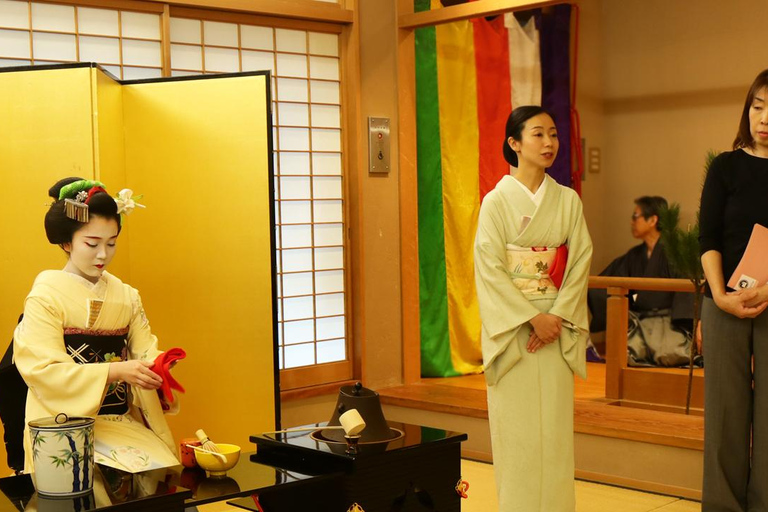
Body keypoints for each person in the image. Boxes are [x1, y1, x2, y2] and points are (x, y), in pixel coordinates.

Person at [13, 177, 180, 474]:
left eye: (111, 243)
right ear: (67, 242)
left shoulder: (127, 296)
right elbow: (44, 371)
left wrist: (157, 367)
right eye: (92, 243)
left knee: (161, 473)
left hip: (120, 421)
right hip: (63, 423)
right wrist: (115, 370)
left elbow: (144, 351)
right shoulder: (45, 296)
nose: (103, 254)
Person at [474, 105, 592, 511]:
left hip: (556, 326)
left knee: (555, 433)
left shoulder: (568, 200)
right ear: (514, 143)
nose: (549, 143)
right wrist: (532, 318)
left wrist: (555, 316)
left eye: (554, 134)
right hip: (516, 328)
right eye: (538, 134)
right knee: (519, 434)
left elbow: (579, 259)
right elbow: (488, 268)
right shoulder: (495, 202)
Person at [699, 69, 768, 511]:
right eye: (758, 106)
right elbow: (708, 238)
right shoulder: (725, 166)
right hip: (723, 302)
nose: (764, 118)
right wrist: (721, 296)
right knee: (725, 413)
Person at [588, 196, 696, 367]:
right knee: (628, 356)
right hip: (639, 324)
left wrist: (691, 325)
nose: (632, 222)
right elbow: (605, 281)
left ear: (653, 219)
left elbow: (689, 290)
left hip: (669, 325)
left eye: (635, 216)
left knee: (670, 355)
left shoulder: (676, 251)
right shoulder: (634, 256)